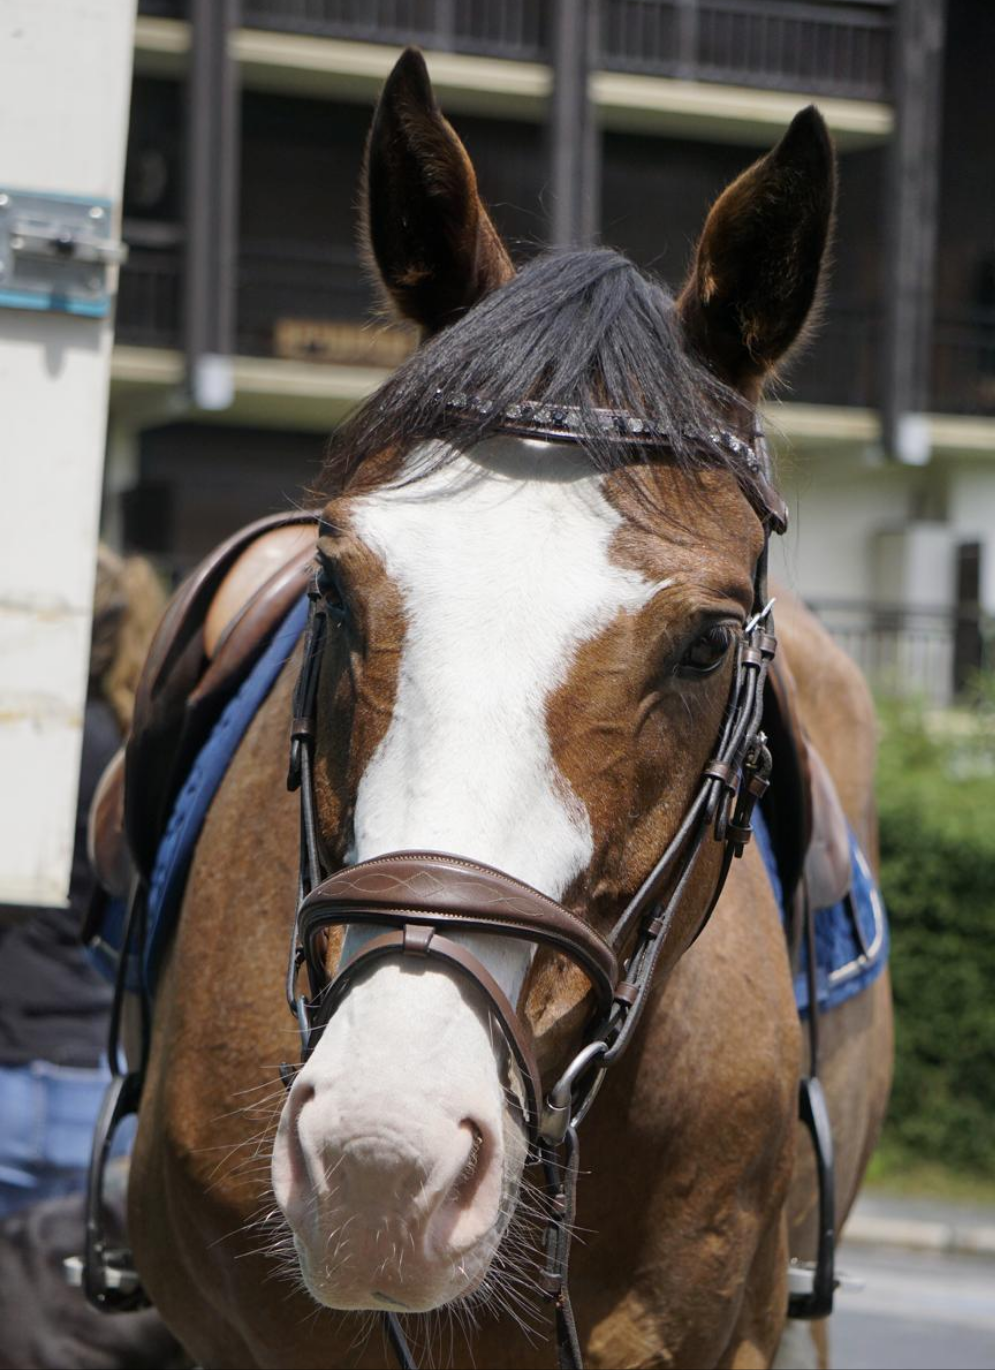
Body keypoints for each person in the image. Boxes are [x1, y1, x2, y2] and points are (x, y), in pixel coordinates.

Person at [0, 547, 165, 1217]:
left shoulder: (28, 746)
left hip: (9, 1061)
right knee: (67, 1310)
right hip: (96, 1075)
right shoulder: (137, 753)